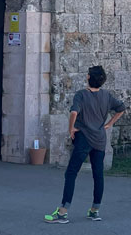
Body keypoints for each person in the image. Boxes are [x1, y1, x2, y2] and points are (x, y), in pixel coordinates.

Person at [45, 65, 125, 223]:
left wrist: (71, 128)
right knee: (98, 175)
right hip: (99, 139)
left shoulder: (81, 95)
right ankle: (94, 210)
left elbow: (74, 112)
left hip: (84, 138)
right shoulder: (106, 96)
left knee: (71, 173)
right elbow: (121, 108)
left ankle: (63, 211)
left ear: (89, 77)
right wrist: (109, 124)